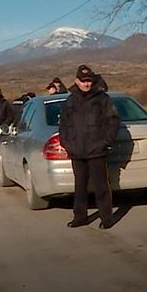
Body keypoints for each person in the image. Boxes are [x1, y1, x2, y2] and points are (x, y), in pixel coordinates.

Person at [59, 65, 120, 229]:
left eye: (89, 81)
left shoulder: (102, 99)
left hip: (97, 151)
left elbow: (113, 121)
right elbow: (64, 125)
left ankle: (106, 217)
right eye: (83, 81)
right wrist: (67, 144)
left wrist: (105, 142)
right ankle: (80, 217)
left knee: (101, 186)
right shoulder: (70, 101)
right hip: (77, 152)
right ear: (76, 81)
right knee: (79, 187)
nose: (86, 84)